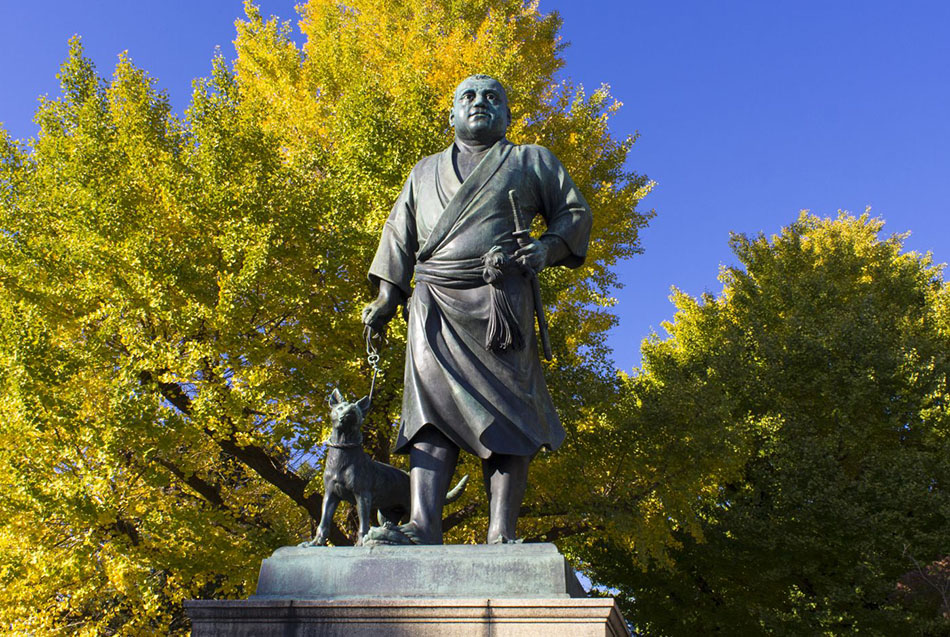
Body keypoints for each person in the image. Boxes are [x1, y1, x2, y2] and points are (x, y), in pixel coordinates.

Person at [361, 74, 591, 545]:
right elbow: (398, 233)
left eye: (493, 97)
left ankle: (500, 531)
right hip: (434, 300)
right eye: (468, 96)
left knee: (509, 414)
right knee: (427, 410)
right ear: (451, 115)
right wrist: (388, 295)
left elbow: (575, 213)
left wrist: (547, 249)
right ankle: (424, 524)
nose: (480, 102)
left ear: (507, 115)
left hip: (500, 301)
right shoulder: (423, 173)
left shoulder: (531, 160)